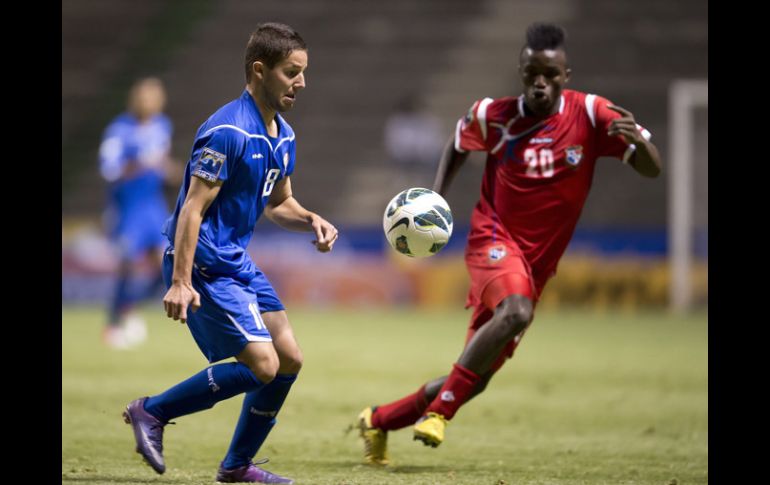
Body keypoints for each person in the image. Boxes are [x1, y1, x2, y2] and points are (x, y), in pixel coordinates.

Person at [355, 22, 661, 465]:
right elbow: (457, 143)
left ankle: (377, 420)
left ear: (566, 74)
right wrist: (436, 196)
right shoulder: (493, 114)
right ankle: (440, 413)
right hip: (493, 240)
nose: (541, 82)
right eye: (532, 73)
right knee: (517, 312)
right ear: (521, 70)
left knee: (473, 377)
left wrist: (641, 147)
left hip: (537, 266)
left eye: (550, 74)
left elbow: (651, 169)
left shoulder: (593, 115)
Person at [122, 23, 338, 484]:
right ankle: (152, 412)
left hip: (235, 261)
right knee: (263, 365)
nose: (302, 83)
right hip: (202, 263)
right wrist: (181, 281)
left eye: (303, 72)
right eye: (291, 72)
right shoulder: (226, 132)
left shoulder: (284, 137)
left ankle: (237, 466)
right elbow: (191, 212)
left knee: (289, 359)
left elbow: (279, 203)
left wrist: (311, 219)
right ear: (260, 70)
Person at [98, 77, 175, 349]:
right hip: (128, 206)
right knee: (128, 266)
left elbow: (161, 161)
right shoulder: (119, 130)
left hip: (153, 206)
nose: (151, 104)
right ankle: (111, 322)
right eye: (146, 98)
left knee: (166, 263)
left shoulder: (162, 126)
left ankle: (129, 308)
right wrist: (141, 163)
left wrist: (173, 170)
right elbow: (109, 170)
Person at [383, 94, 444, 188]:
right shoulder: (397, 121)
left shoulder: (427, 120)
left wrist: (424, 153)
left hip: (425, 159)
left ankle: (427, 184)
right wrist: (409, 153)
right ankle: (402, 183)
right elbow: (394, 143)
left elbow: (433, 140)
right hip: (403, 158)